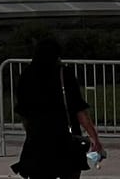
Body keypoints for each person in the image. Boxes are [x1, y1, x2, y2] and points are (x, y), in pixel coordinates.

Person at [15, 35, 105, 178]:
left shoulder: (26, 76)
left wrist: (30, 131)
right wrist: (94, 137)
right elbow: (79, 110)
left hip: (38, 138)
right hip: (65, 137)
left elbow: (23, 112)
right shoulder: (64, 74)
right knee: (69, 172)